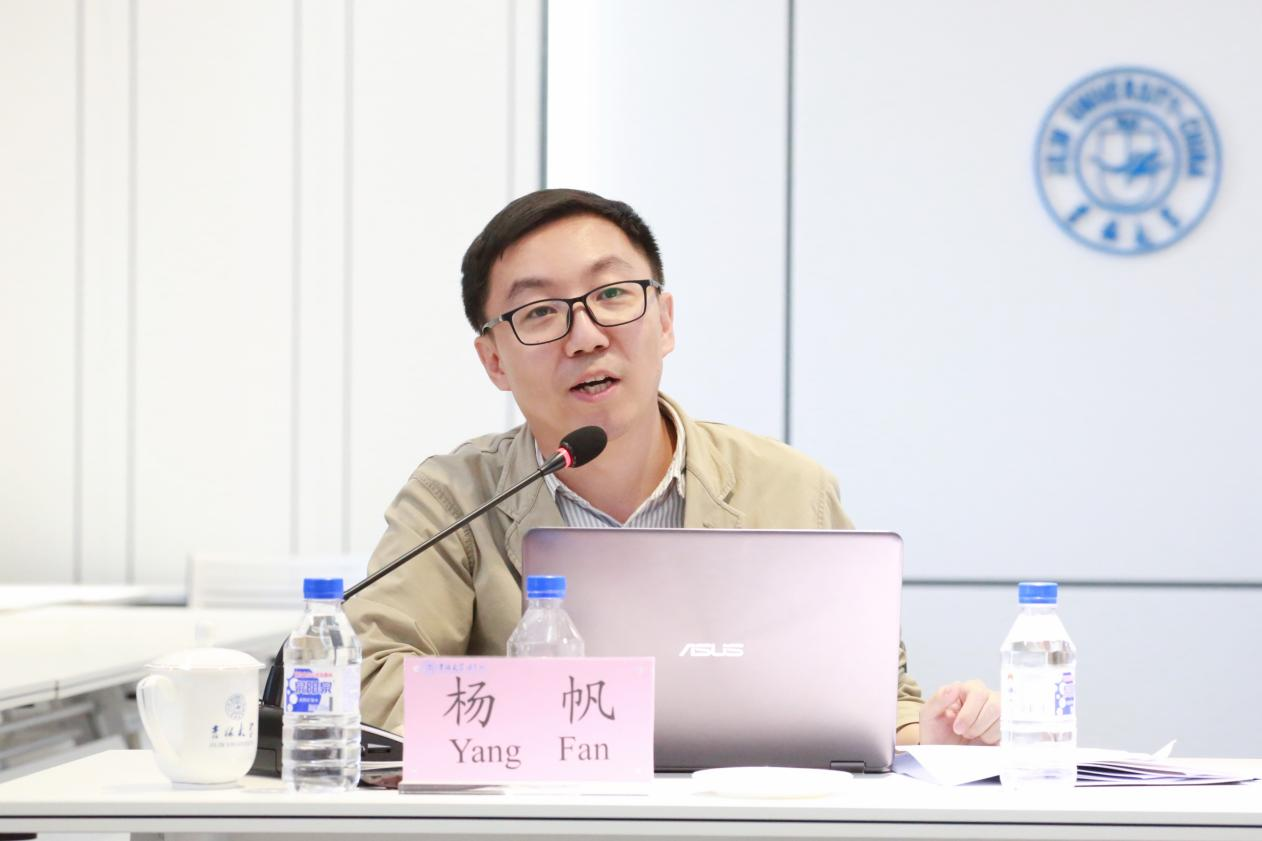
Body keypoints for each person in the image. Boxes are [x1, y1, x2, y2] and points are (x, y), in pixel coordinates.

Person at [345, 188, 999, 746]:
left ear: (664, 321)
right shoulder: (456, 501)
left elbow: (872, 696)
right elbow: (370, 680)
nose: (586, 335)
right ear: (494, 360)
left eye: (612, 294)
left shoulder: (790, 488)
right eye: (540, 311)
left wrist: (934, 731)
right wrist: (590, 722)